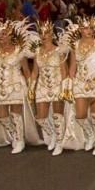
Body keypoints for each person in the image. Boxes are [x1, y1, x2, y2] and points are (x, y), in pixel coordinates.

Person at [0, 20, 39, 151]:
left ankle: (19, 140)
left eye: (4, 34)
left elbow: (26, 71)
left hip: (16, 85)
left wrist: (31, 88)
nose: (1, 36)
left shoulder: (19, 51)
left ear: (11, 35)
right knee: (2, 116)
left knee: (15, 114)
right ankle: (14, 135)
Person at [67, 17, 95, 155]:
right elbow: (73, 66)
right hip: (80, 81)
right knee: (80, 114)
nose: (88, 31)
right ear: (80, 30)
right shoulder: (75, 45)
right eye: (85, 28)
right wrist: (68, 84)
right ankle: (90, 134)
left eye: (90, 28)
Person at [30, 21, 70, 153]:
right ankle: (52, 134)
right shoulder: (37, 51)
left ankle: (59, 142)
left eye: (46, 33)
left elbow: (64, 71)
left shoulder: (59, 50)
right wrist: (31, 88)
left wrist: (65, 88)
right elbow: (35, 72)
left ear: (52, 34)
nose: (43, 35)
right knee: (41, 117)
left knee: (57, 115)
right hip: (42, 86)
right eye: (41, 33)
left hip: (57, 85)